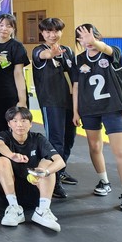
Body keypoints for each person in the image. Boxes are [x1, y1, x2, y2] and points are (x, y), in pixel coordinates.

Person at [73, 24, 122, 212]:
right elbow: (76, 86)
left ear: (98, 36)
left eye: (90, 36)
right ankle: (103, 181)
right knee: (94, 147)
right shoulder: (79, 60)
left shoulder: (112, 52)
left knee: (119, 151)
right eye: (82, 37)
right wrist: (75, 111)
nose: (86, 40)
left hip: (112, 108)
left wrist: (94, 42)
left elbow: (106, 48)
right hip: (89, 109)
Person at [0, 107, 65, 231]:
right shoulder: (4, 136)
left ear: (30, 124)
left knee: (48, 162)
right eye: (15, 121)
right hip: (11, 192)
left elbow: (60, 162)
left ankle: (43, 210)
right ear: (9, 124)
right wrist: (12, 155)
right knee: (2, 160)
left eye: (23, 121)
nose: (19, 124)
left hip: (36, 191)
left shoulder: (38, 138)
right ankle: (14, 208)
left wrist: (46, 172)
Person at [32, 17, 78, 199]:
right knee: (55, 141)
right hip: (51, 102)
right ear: (42, 33)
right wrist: (50, 54)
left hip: (70, 102)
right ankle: (54, 178)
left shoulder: (68, 51)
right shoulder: (38, 50)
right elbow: (42, 56)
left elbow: (74, 78)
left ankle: (61, 170)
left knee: (69, 140)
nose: (52, 35)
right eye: (48, 31)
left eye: (56, 31)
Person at [0, 13, 29, 133]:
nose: (4, 28)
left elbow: (19, 74)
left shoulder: (17, 46)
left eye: (9, 26)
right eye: (1, 25)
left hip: (11, 94)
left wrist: (22, 100)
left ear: (13, 29)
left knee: (16, 128)